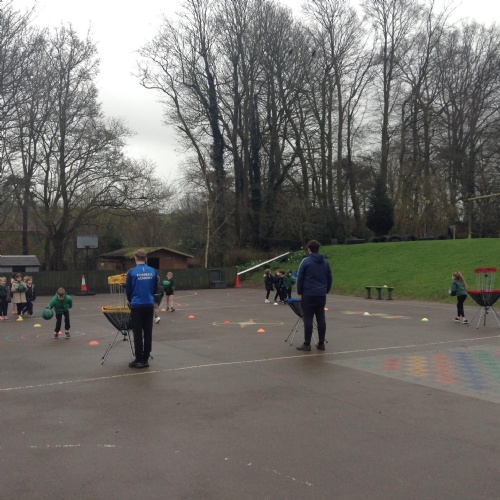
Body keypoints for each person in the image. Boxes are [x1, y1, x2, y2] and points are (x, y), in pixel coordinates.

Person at [296, 240, 332, 351]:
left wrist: (299, 292)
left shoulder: (305, 261)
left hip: (308, 294)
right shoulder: (325, 262)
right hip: (321, 294)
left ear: (309, 249)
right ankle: (321, 343)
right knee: (321, 318)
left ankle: (307, 344)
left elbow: (300, 278)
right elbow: (329, 278)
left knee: (308, 319)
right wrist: (325, 290)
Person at [126, 250, 158, 368]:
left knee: (138, 333)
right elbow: (155, 288)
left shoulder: (131, 272)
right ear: (146, 259)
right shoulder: (153, 271)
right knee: (148, 332)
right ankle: (146, 359)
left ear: (135, 258)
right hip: (149, 304)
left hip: (137, 305)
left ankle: (139, 359)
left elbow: (128, 289)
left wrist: (130, 299)